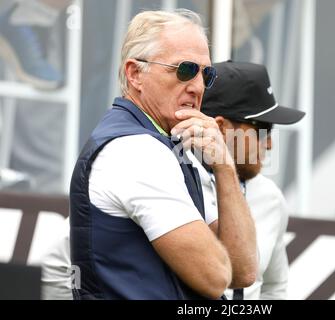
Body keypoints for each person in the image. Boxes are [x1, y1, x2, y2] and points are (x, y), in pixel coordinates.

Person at [69, 9, 257, 300]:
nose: (197, 86)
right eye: (184, 69)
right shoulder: (136, 150)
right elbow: (217, 277)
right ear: (135, 74)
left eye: (206, 74)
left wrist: (224, 166)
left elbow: (243, 271)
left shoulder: (168, 145)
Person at [198, 60, 305, 299]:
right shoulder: (176, 183)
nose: (269, 143)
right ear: (220, 127)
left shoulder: (271, 197)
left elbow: (273, 287)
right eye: (262, 128)